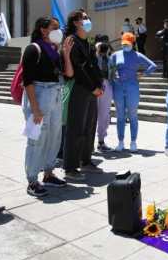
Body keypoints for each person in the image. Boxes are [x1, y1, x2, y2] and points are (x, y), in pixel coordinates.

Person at [21, 16, 74, 197]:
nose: (58, 31)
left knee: (54, 136)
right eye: (54, 27)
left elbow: (68, 74)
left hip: (55, 94)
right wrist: (35, 109)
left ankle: (49, 173)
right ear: (43, 30)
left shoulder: (54, 51)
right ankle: (32, 179)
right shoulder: (33, 49)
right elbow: (27, 81)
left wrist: (66, 54)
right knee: (36, 139)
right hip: (38, 95)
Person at [63, 10, 104, 180]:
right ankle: (70, 167)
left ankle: (85, 160)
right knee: (75, 128)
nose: (88, 20)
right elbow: (78, 69)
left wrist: (99, 85)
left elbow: (93, 66)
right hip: (79, 89)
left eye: (88, 18)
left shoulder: (86, 42)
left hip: (91, 90)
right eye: (84, 18)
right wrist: (92, 86)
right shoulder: (71, 41)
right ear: (75, 22)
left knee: (89, 126)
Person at [109, 32, 157, 152]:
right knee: (120, 116)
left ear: (132, 43)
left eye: (128, 43)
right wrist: (112, 77)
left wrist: (143, 74)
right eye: (124, 43)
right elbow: (109, 68)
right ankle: (120, 142)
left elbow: (153, 65)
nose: (125, 46)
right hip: (118, 87)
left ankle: (133, 141)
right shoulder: (115, 55)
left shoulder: (137, 55)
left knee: (133, 115)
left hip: (132, 87)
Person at [94, 39, 114, 152]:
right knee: (92, 116)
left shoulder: (109, 60)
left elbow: (112, 74)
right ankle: (89, 144)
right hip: (94, 86)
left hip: (106, 85)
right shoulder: (93, 59)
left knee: (104, 115)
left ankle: (101, 141)